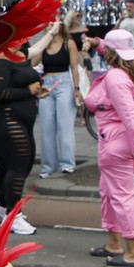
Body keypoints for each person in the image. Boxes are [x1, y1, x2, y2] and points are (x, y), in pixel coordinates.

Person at [85, 29, 134, 267]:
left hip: (118, 142)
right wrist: (97, 43)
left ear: (111, 53)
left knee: (122, 196)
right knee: (109, 191)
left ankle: (133, 252)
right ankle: (114, 243)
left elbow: (128, 113)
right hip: (125, 140)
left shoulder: (115, 77)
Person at [0, 38, 45, 237]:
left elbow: (23, 81)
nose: (24, 40)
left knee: (20, 162)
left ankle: (0, 204)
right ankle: (12, 216)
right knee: (18, 164)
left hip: (21, 119)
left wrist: (35, 92)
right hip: (4, 119)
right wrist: (28, 91)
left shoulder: (19, 55)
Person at [27, 17, 84, 180]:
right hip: (47, 83)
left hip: (64, 82)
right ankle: (48, 166)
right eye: (47, 25)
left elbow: (74, 67)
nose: (49, 27)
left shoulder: (68, 44)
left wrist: (77, 89)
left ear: (60, 26)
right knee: (46, 127)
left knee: (65, 126)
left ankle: (67, 163)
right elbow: (33, 62)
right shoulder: (45, 44)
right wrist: (45, 41)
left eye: (52, 24)